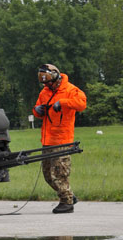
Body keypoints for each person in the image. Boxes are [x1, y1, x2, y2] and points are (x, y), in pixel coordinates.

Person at [33, 64, 87, 214]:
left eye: (49, 81)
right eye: (44, 82)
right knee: (47, 175)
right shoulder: (44, 92)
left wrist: (62, 103)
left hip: (62, 139)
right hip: (47, 140)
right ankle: (69, 195)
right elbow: (38, 107)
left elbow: (82, 104)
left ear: (56, 76)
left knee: (59, 174)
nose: (47, 84)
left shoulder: (71, 90)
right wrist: (37, 111)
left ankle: (67, 202)